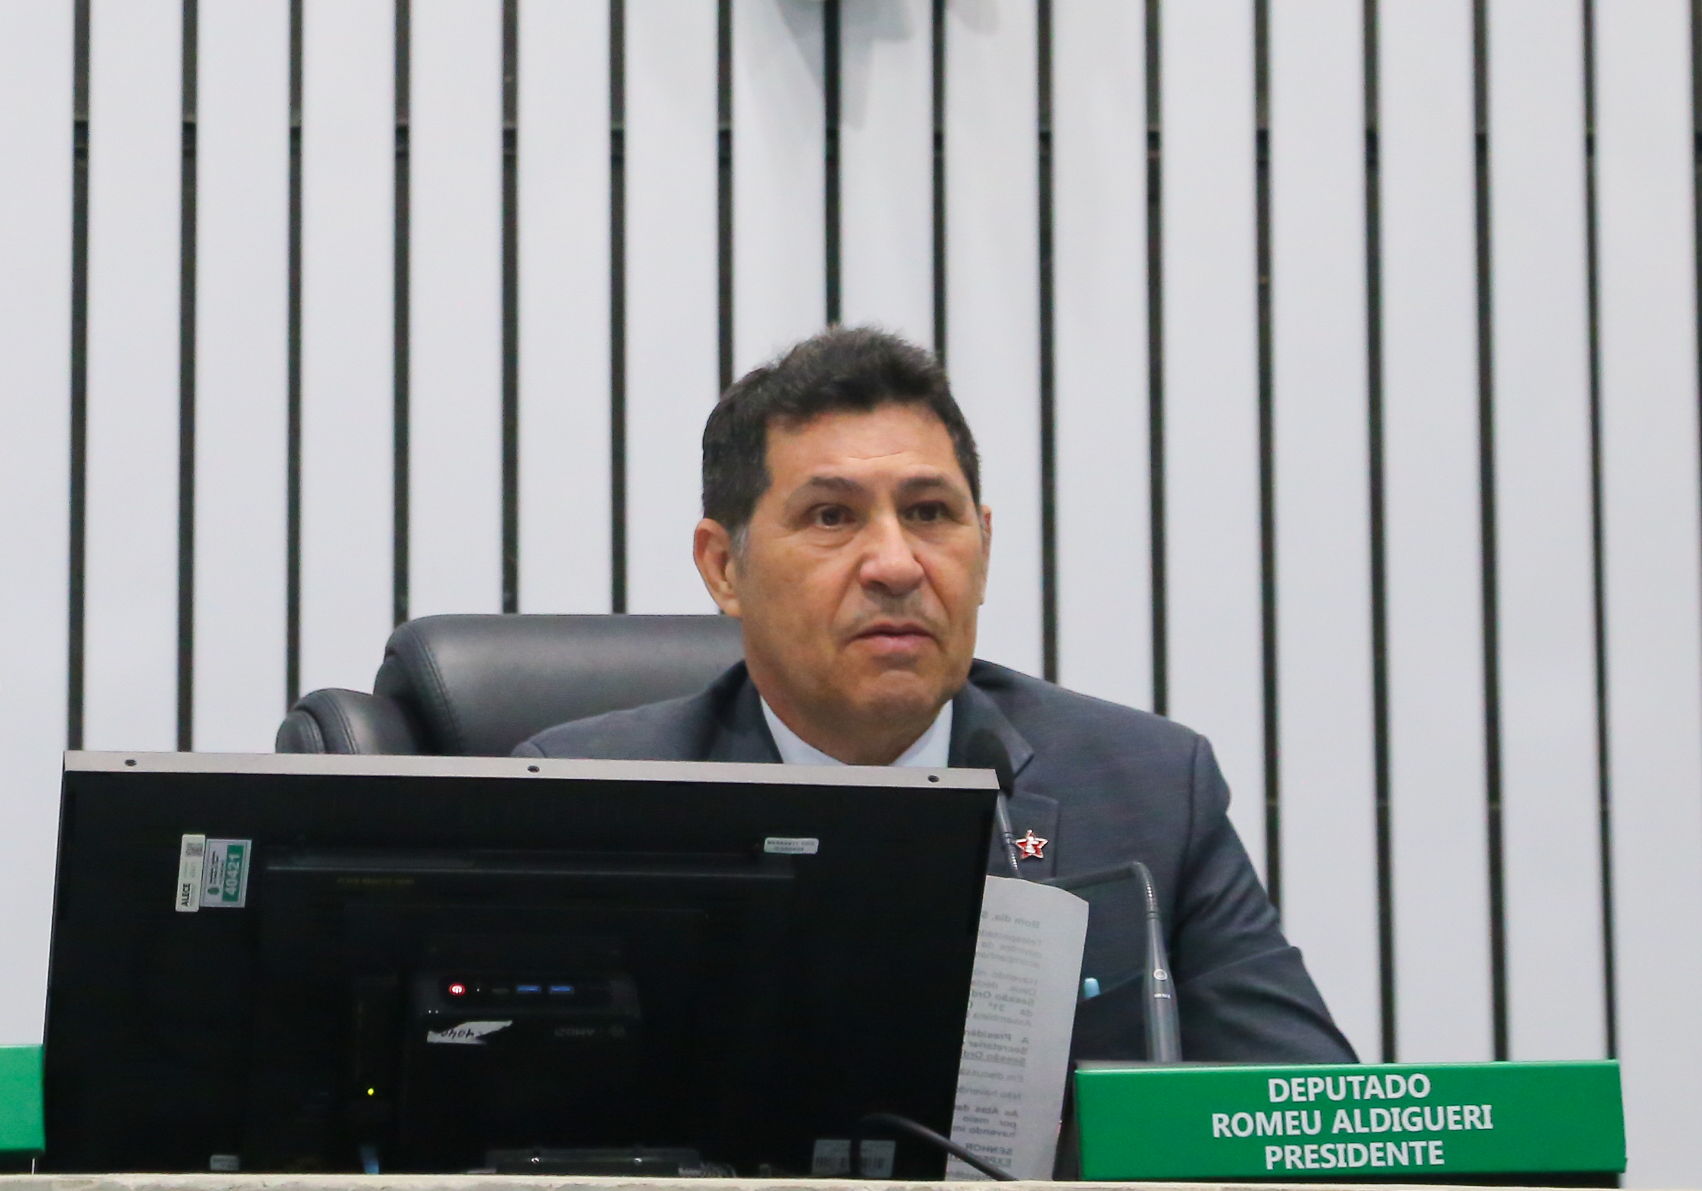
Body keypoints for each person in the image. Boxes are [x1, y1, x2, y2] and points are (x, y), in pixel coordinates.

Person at [516, 326, 1351, 1067]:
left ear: (981, 546)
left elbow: (1302, 1126)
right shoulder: (586, 796)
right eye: (831, 517)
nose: (895, 564)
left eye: (927, 513)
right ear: (723, 568)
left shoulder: (1149, 793)